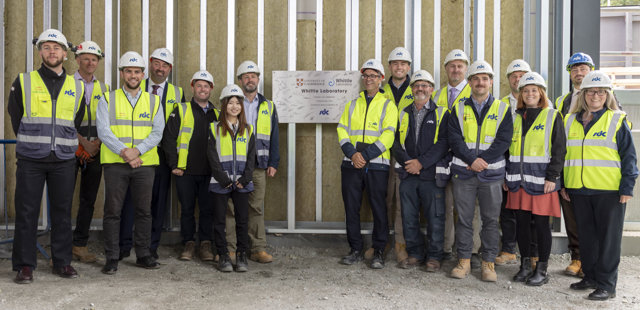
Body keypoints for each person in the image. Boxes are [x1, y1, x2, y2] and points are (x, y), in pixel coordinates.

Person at [8, 29, 85, 284]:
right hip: (31, 158)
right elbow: (15, 116)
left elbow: (76, 119)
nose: (52, 52)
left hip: (63, 157)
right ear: (40, 52)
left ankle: (62, 262)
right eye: (47, 47)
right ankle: (25, 265)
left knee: (63, 212)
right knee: (27, 211)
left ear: (65, 53)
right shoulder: (24, 80)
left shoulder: (77, 86)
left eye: (57, 48)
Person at [562, 71, 638, 301]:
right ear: (583, 94)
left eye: (601, 92)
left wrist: (627, 187)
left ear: (607, 95)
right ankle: (591, 277)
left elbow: (629, 157)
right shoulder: (568, 121)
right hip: (578, 189)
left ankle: (607, 285)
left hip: (609, 191)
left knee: (608, 240)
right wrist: (564, 183)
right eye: (592, 91)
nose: (596, 95)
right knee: (586, 238)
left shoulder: (616, 119)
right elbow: (563, 155)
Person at [98, 51, 164, 275]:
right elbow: (103, 131)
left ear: (143, 74)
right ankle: (112, 257)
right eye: (129, 71)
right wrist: (125, 152)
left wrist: (137, 151)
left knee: (144, 211)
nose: (133, 75)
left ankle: (143, 255)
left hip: (144, 164)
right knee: (112, 211)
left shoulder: (154, 100)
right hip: (116, 164)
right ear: (122, 73)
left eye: (137, 71)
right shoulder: (108, 98)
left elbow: (157, 132)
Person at [448, 60, 513, 282]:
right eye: (476, 79)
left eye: (484, 79)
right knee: (464, 219)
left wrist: (481, 160)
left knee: (490, 220)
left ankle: (488, 263)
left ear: (491, 82)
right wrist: (470, 160)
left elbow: (504, 140)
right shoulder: (457, 108)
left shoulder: (503, 109)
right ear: (469, 82)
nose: (480, 83)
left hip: (491, 174)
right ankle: (464, 260)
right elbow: (454, 139)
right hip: (464, 173)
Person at [119, 48, 185, 260]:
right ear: (150, 64)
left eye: (165, 65)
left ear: (170, 69)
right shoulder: (136, 84)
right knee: (130, 200)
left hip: (163, 156)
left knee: (158, 202)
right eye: (157, 63)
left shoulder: (178, 93)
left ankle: (150, 247)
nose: (160, 68)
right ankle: (123, 245)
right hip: (137, 154)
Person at [505, 72, 566, 286]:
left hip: (542, 181)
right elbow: (506, 149)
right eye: (526, 90)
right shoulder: (513, 116)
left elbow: (559, 150)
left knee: (541, 225)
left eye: (534, 90)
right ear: (521, 94)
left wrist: (552, 176)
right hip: (517, 181)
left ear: (541, 93)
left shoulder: (552, 115)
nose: (530, 93)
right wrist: (506, 175)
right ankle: (524, 265)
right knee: (521, 225)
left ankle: (542, 268)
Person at [337, 59, 398, 269]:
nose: (369, 79)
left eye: (373, 76)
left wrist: (366, 155)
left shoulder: (388, 106)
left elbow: (389, 135)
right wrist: (353, 154)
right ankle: (355, 249)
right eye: (366, 76)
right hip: (351, 164)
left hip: (377, 165)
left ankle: (379, 251)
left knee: (379, 208)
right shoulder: (352, 104)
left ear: (381, 79)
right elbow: (342, 130)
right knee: (351, 208)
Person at [392, 70, 449, 271]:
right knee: (408, 216)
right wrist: (409, 162)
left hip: (431, 175)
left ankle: (434, 256)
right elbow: (395, 142)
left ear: (432, 90)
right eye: (417, 85)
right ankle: (415, 253)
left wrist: (421, 163)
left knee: (435, 217)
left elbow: (443, 143)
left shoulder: (442, 113)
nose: (420, 89)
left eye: (425, 85)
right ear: (412, 89)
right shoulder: (403, 113)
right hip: (408, 174)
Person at [225, 60, 280, 264]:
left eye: (253, 76)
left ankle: (257, 248)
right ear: (239, 80)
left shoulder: (268, 105)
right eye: (246, 76)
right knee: (231, 207)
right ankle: (231, 249)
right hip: (234, 164)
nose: (250, 79)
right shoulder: (232, 103)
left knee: (255, 207)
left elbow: (274, 135)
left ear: (258, 79)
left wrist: (273, 162)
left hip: (258, 164)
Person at [431, 49, 482, 265]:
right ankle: (445, 248)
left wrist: (472, 158)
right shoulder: (436, 95)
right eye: (452, 65)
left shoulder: (476, 94)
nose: (456, 69)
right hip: (442, 160)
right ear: (445, 69)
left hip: (467, 161)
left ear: (466, 69)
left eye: (460, 65)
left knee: (471, 208)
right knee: (445, 204)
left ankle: (473, 250)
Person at [162, 70, 218, 261]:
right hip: (184, 170)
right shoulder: (181, 109)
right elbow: (168, 138)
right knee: (186, 209)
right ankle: (188, 244)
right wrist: (173, 164)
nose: (202, 89)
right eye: (199, 85)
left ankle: (205, 244)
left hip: (210, 172)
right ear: (193, 87)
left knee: (207, 210)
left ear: (211, 89)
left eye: (206, 86)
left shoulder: (217, 114)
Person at [554, 52, 594, 277]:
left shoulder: (603, 96)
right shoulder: (562, 101)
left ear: (591, 71)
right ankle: (577, 259)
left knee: (592, 219)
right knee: (572, 217)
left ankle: (592, 262)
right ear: (569, 73)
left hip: (595, 170)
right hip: (569, 168)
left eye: (583, 68)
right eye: (574, 69)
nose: (579, 73)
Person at [209, 84, 256, 272]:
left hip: (242, 183)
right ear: (224, 105)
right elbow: (211, 156)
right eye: (231, 103)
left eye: (238, 103)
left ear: (241, 107)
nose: (234, 106)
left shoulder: (249, 130)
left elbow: (251, 158)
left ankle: (242, 255)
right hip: (221, 182)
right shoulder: (214, 129)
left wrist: (245, 179)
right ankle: (223, 255)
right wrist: (223, 178)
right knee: (219, 220)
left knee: (242, 220)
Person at [71, 40, 110, 263]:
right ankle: (61, 248)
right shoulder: (67, 84)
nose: (89, 62)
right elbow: (63, 118)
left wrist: (96, 143)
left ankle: (79, 245)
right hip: (70, 147)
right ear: (77, 60)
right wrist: (82, 142)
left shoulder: (104, 88)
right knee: (64, 199)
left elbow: (108, 120)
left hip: (96, 148)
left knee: (88, 198)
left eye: (94, 59)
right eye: (85, 58)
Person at [495, 59, 533, 267]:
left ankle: (533, 253)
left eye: (522, 75)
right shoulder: (500, 105)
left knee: (532, 212)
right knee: (507, 209)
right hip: (509, 163)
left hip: (533, 167)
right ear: (509, 80)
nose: (518, 80)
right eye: (514, 76)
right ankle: (509, 249)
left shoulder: (544, 104)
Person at [376, 46, 412, 263]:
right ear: (389, 67)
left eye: (403, 64)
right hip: (381, 153)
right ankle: (381, 241)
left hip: (406, 154)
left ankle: (401, 243)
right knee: (383, 199)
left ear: (408, 67)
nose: (399, 67)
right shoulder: (381, 90)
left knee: (402, 200)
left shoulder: (417, 88)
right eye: (395, 63)